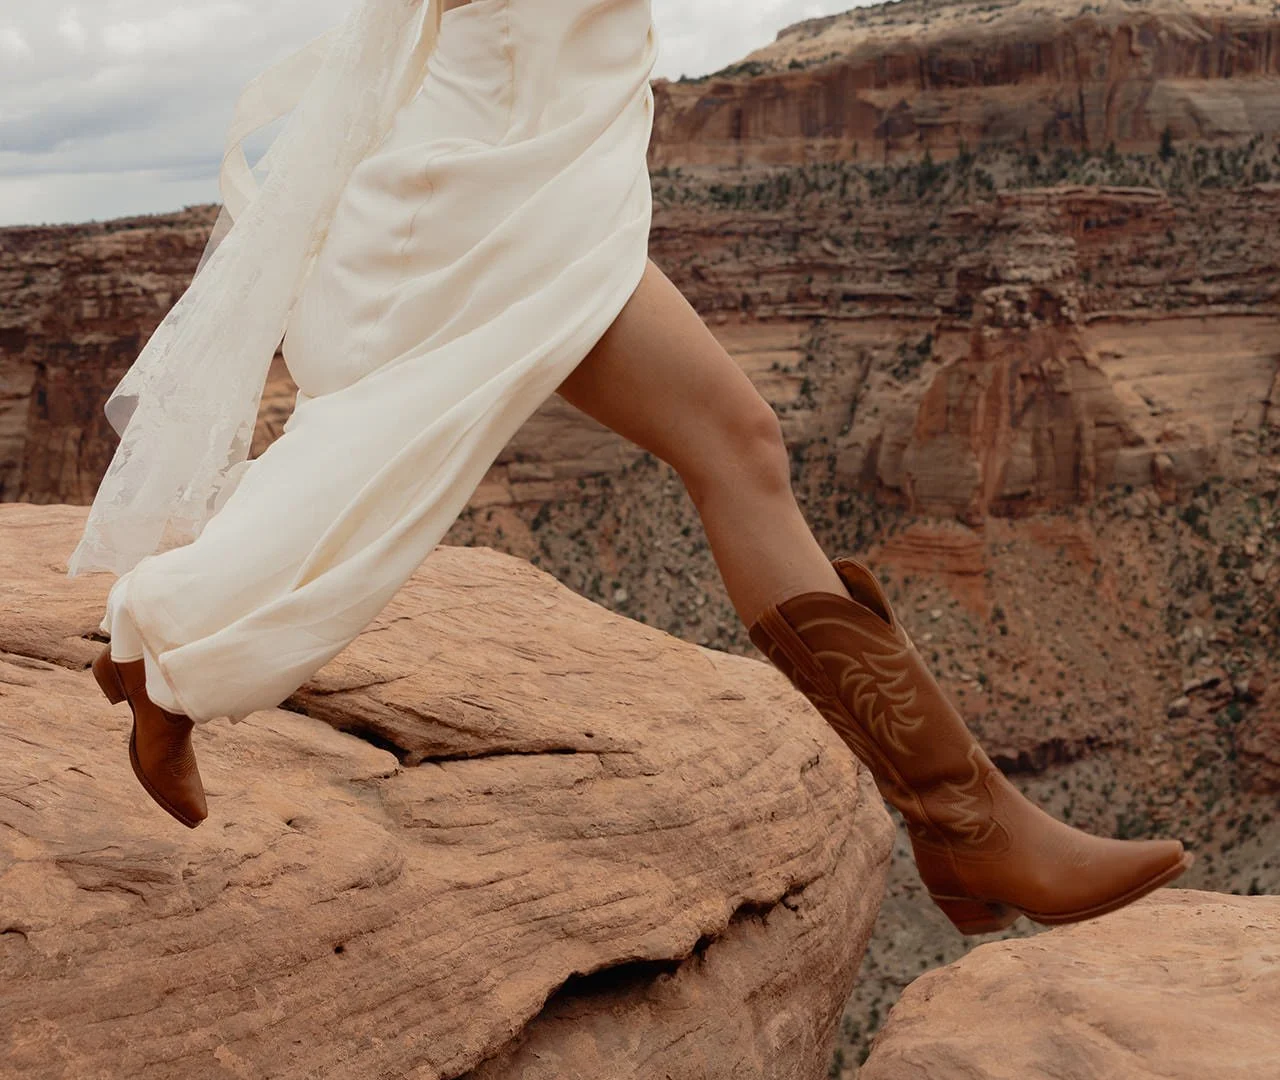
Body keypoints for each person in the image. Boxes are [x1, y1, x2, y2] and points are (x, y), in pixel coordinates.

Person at [75, 0, 1191, 935]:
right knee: (385, 450)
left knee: (729, 443)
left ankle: (964, 825)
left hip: (541, 180)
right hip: (482, 197)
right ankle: (967, 827)